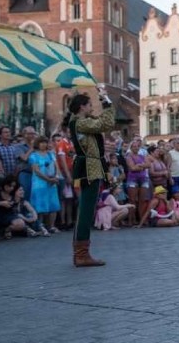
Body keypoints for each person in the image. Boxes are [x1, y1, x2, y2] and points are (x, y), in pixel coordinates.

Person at [65, 87, 116, 267]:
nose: (91, 108)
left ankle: (81, 251)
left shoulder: (80, 120)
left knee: (86, 210)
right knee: (86, 210)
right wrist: (106, 103)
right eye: (89, 105)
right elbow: (106, 123)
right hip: (89, 168)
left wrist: (104, 97)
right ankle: (81, 254)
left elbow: (100, 121)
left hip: (90, 166)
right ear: (81, 107)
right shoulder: (80, 122)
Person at [29, 136, 61, 234]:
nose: (44, 144)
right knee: (40, 205)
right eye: (41, 142)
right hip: (39, 183)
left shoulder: (51, 155)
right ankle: (40, 226)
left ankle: (51, 226)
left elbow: (56, 167)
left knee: (53, 204)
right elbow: (37, 171)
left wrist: (56, 177)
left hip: (52, 183)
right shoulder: (33, 156)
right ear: (37, 144)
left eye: (45, 142)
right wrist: (48, 179)